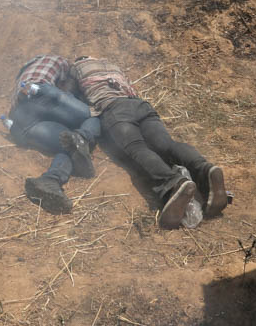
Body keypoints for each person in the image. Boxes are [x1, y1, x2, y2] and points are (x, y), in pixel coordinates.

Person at [69, 57, 227, 229]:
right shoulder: (112, 65)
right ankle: (205, 169)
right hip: (140, 105)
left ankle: (174, 183)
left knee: (137, 148)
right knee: (166, 145)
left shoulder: (77, 68)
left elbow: (68, 95)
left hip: (114, 109)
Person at [8, 55, 100, 214]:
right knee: (93, 115)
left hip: (20, 122)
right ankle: (83, 137)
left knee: (69, 145)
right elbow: (67, 88)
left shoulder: (21, 76)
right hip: (40, 93)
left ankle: (50, 180)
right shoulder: (57, 60)